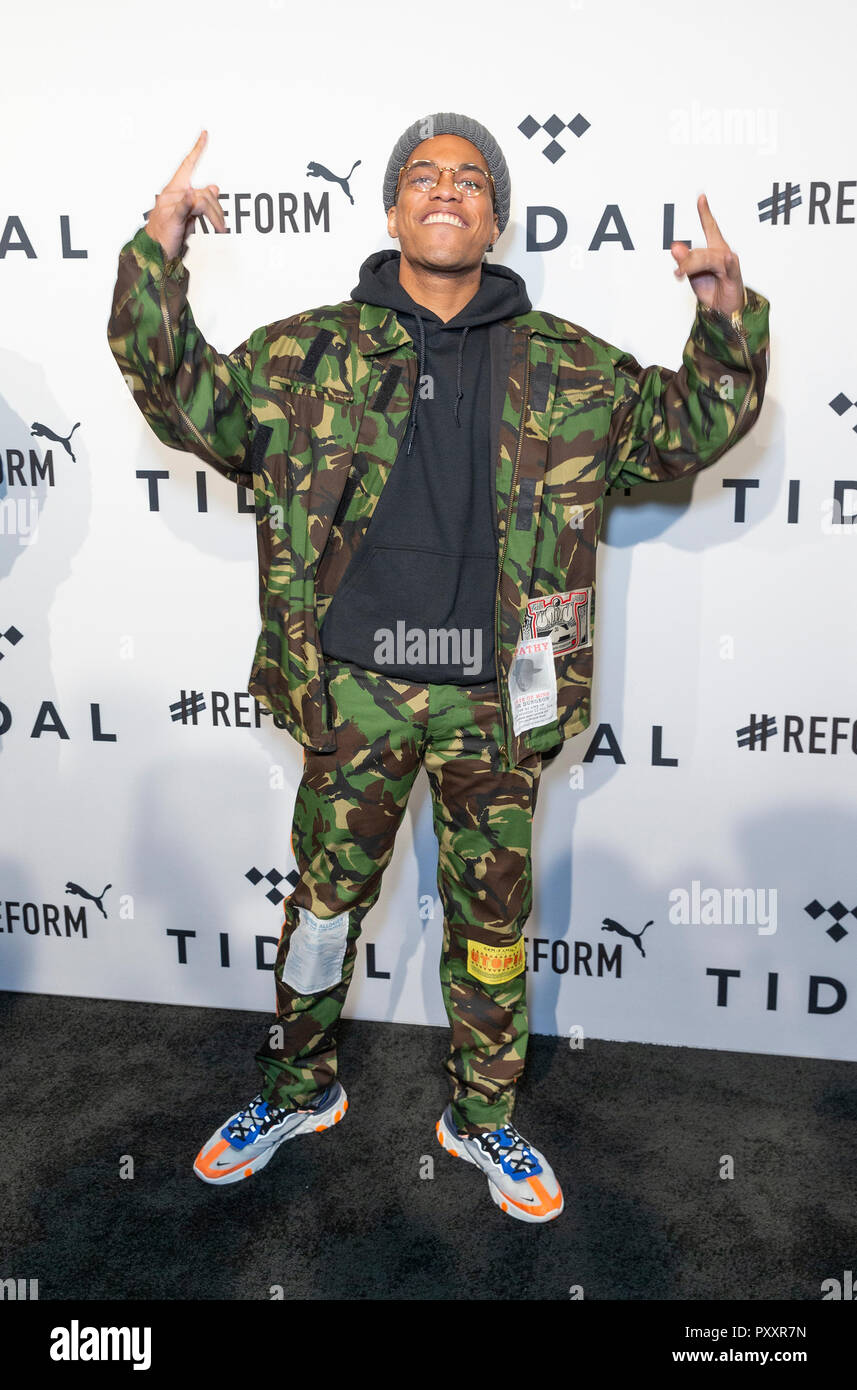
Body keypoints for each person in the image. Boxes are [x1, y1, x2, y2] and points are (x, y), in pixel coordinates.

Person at [107, 113, 769, 1224]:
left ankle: (481, 1115)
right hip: (351, 694)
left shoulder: (567, 365)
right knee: (320, 917)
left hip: (494, 706)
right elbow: (180, 394)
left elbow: (692, 424)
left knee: (493, 932)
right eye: (423, 174)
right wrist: (156, 250)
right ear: (392, 209)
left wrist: (720, 317)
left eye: (470, 178)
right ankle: (296, 1089)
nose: (446, 189)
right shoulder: (307, 352)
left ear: (496, 215)